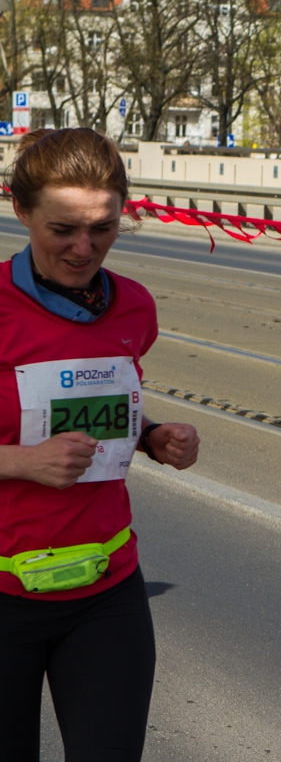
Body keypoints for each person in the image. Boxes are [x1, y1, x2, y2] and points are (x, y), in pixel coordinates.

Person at [0, 128, 202, 761]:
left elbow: (91, 407)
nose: (84, 248)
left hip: (106, 588)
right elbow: (33, 441)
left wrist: (149, 435)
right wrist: (20, 463)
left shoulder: (133, 309)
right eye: (63, 229)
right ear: (20, 209)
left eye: (104, 228)